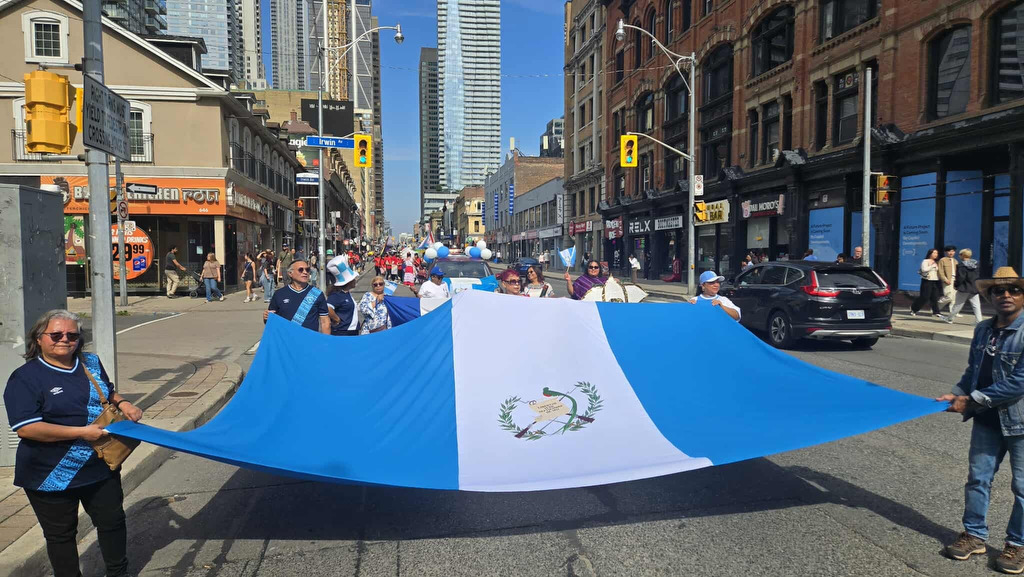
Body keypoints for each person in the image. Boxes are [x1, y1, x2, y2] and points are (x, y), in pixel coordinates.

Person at [4, 309, 142, 577]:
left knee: (112, 522)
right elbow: (27, 429)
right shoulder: (25, 377)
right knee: (61, 536)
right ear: (39, 338)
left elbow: (108, 390)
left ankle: (118, 572)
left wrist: (124, 402)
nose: (64, 339)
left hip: (100, 464)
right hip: (49, 473)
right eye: (56, 334)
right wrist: (81, 432)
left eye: (72, 335)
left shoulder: (90, 362)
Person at [937, 267, 1024, 572]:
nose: (1006, 295)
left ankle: (1018, 545)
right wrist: (956, 393)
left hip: (1020, 423)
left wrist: (971, 400)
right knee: (978, 479)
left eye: (1014, 289)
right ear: (989, 296)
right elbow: (973, 371)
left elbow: (1019, 381)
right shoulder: (983, 329)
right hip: (986, 420)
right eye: (999, 291)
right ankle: (974, 535)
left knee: (1023, 487)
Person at [263, 260, 331, 334]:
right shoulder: (279, 294)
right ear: (290, 273)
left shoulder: (317, 294)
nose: (305, 272)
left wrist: (326, 343)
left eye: (307, 270)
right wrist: (266, 317)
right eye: (300, 270)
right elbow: (271, 321)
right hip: (287, 341)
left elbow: (325, 322)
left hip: (310, 341)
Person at [943, 248, 984, 325]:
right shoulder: (976, 264)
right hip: (974, 287)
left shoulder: (961, 266)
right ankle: (979, 321)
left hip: (964, 288)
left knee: (958, 304)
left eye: (960, 254)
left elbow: (961, 277)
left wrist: (956, 285)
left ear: (962, 255)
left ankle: (950, 318)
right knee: (976, 305)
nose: (959, 256)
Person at [326, 255, 360, 336]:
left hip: (351, 330)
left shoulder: (346, 293)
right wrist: (337, 319)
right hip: (343, 331)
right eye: (353, 279)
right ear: (349, 282)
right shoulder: (337, 295)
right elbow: (328, 307)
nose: (355, 280)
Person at [911, 248, 942, 317]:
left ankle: (936, 312)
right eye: (934, 253)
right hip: (927, 280)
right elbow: (924, 269)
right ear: (930, 254)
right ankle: (914, 308)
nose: (935, 255)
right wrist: (932, 266)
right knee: (925, 297)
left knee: (934, 297)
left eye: (936, 253)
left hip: (935, 280)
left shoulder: (937, 262)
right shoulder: (925, 261)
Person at [938, 244, 959, 315]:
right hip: (947, 280)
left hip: (955, 280)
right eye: (949, 251)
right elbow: (940, 271)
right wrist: (945, 279)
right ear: (946, 252)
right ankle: (936, 308)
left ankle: (953, 312)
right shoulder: (942, 260)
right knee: (948, 296)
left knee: (954, 297)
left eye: (953, 251)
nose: (951, 253)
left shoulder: (955, 261)